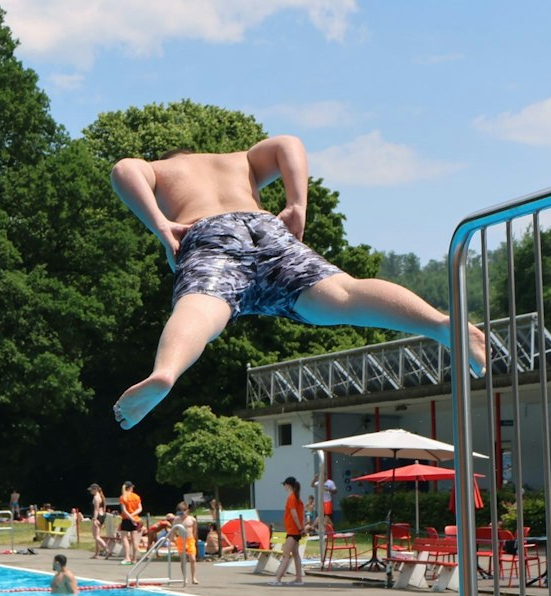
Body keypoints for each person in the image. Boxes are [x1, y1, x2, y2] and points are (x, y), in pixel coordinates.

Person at [107, 135, 488, 428]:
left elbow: (123, 169)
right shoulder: (238, 161)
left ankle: (166, 371)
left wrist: (161, 225)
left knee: (201, 306)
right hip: (265, 228)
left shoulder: (161, 169)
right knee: (342, 294)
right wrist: (296, 204)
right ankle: (441, 325)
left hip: (210, 234)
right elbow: (289, 143)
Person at [273, 476, 307, 586]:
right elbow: (302, 516)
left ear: (288, 485)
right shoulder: (298, 499)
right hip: (295, 531)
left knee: (286, 555)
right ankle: (298, 579)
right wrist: (302, 528)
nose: (284, 486)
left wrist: (301, 528)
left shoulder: (291, 498)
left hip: (293, 531)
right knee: (295, 554)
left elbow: (295, 515)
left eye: (285, 484)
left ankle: (277, 579)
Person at [118, 481, 146, 561]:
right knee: (135, 539)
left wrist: (130, 517)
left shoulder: (123, 497)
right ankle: (134, 558)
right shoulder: (136, 496)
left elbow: (124, 510)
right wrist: (133, 515)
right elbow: (140, 508)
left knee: (125, 538)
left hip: (126, 519)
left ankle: (127, 557)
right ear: (130, 488)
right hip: (136, 519)